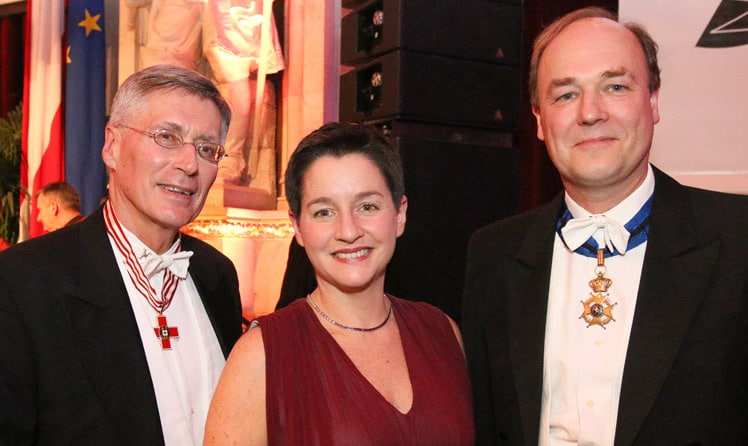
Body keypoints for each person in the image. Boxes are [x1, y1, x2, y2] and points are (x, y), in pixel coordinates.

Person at [461, 6, 748, 445]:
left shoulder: (738, 240)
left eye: (614, 86)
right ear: (539, 121)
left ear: (653, 102)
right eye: (565, 95)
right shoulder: (493, 255)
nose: (590, 113)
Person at [0, 64, 243, 444]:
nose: (189, 164)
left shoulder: (217, 274)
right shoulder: (23, 282)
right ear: (112, 147)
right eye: (166, 136)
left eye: (207, 148)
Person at [204, 122, 474, 445]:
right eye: (324, 212)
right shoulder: (261, 356)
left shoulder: (442, 333)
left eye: (367, 206)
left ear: (399, 214)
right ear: (298, 228)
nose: (348, 230)